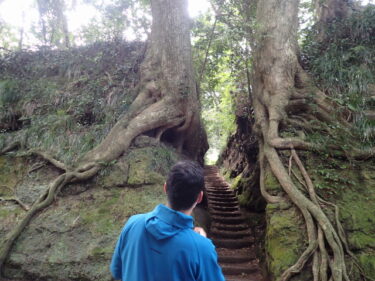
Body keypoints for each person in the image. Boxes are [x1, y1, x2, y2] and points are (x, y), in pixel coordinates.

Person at [110, 160, 225, 281]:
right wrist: (200, 243)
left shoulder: (132, 224)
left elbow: (117, 271)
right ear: (200, 197)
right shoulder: (203, 248)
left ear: (165, 188)